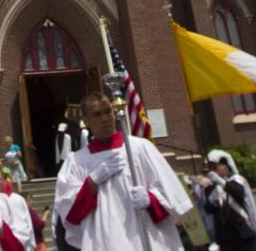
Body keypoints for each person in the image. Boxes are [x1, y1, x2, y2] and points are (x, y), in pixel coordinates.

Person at [54, 92, 193, 250]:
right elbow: (70, 213)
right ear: (85, 121)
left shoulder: (140, 148)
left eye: (108, 111)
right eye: (97, 114)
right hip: (104, 241)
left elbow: (172, 194)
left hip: (145, 237)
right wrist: (92, 181)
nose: (105, 119)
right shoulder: (76, 161)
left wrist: (150, 199)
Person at [198, 150, 256, 251]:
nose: (218, 171)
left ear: (228, 169)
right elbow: (208, 209)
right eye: (216, 169)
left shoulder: (236, 180)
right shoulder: (211, 188)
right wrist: (213, 197)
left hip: (242, 233)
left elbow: (238, 193)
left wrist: (221, 182)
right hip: (224, 236)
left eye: (222, 168)